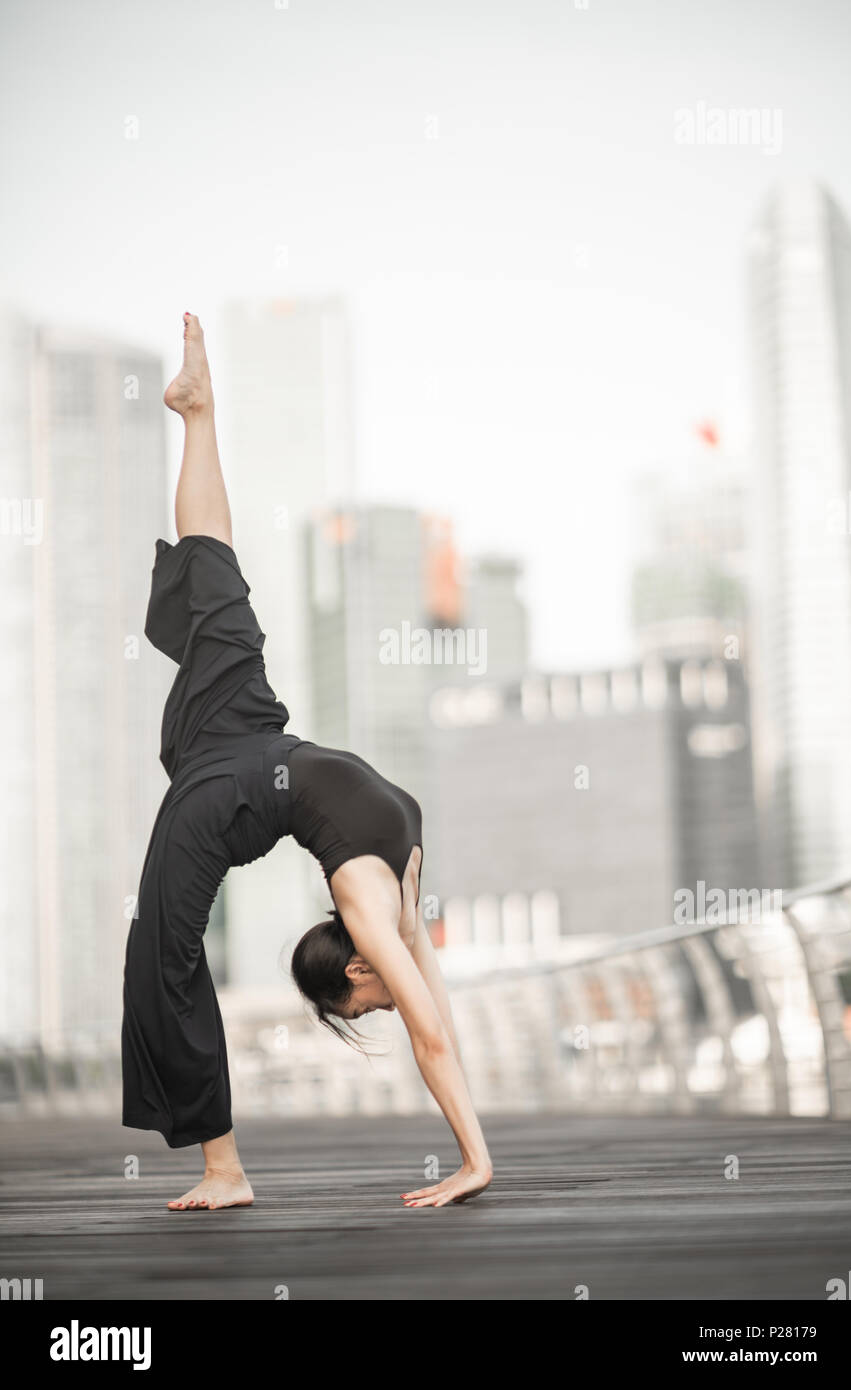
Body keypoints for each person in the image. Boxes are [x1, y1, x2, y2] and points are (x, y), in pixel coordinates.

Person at [121, 313, 493, 1212]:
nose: (383, 1004)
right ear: (358, 967)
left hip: (255, 733)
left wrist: (475, 1153)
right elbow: (432, 1033)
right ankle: (224, 1169)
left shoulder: (397, 885)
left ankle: (200, 417)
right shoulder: (376, 907)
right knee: (161, 959)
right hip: (228, 781)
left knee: (216, 583)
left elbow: (433, 1023)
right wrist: (474, 1165)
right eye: (368, 1008)